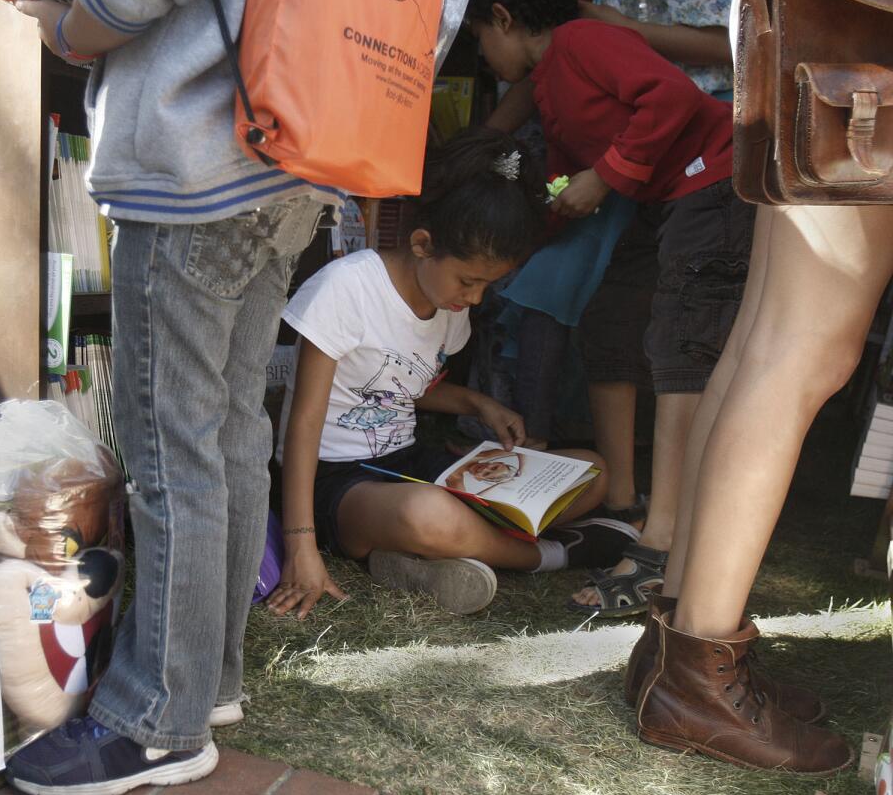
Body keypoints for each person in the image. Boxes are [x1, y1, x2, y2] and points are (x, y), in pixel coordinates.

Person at [5, 0, 340, 795]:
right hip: (304, 150)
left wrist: (70, 30)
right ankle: (207, 679)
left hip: (198, 151)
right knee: (230, 429)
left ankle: (157, 720)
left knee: (172, 446)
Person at [624, 0, 893, 776]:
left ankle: (680, 638)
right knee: (799, 352)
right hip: (854, 13)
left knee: (766, 342)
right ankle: (698, 674)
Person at [466, 0, 754, 618]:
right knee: (608, 324)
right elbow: (568, 183)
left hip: (715, 186)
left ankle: (660, 551)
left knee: (681, 352)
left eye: (478, 38)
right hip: (659, 200)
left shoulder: (583, 41)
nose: (481, 56)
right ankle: (624, 507)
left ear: (504, 19)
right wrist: (520, 236)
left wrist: (609, 173)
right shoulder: (547, 87)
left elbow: (675, 97)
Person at [268, 128, 637, 620]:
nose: (477, 297)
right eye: (469, 280)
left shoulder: (449, 303)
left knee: (590, 472)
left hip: (408, 463)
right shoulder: (346, 288)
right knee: (427, 514)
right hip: (332, 482)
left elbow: (400, 387)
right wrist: (300, 546)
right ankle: (551, 554)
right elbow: (303, 426)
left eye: (489, 283)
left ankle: (425, 554)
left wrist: (477, 404)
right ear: (423, 244)